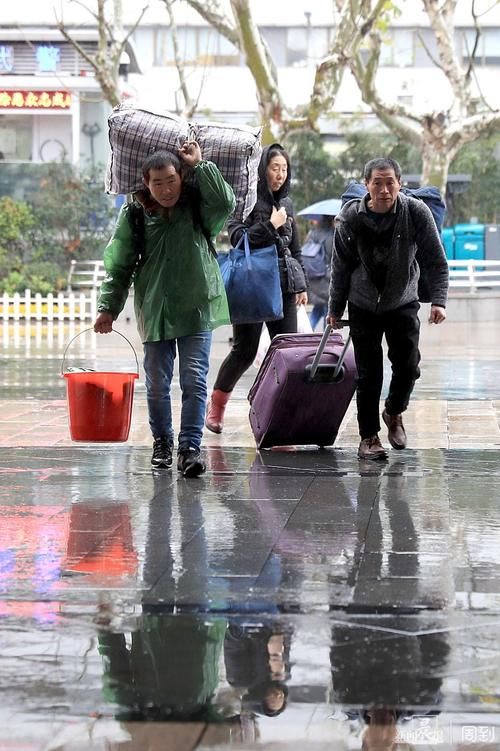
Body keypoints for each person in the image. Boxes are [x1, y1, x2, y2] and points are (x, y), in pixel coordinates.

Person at [94, 142, 235, 477]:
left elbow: (225, 202)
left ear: (181, 178)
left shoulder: (197, 207)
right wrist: (108, 308)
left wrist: (201, 165)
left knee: (194, 380)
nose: (165, 189)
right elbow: (120, 265)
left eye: (171, 180)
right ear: (146, 182)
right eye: (157, 183)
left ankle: (189, 447)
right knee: (157, 383)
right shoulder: (135, 215)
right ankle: (162, 443)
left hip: (196, 306)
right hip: (155, 309)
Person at [328, 157, 449, 460]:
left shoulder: (415, 212)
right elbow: (339, 267)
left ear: (399, 183)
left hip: (402, 301)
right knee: (368, 374)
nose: (384, 190)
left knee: (408, 366)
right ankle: (368, 437)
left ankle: (394, 412)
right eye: (377, 183)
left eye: (390, 182)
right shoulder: (351, 218)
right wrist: (334, 308)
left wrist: (438, 300)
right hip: (362, 303)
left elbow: (436, 260)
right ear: (366, 185)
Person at [205, 143, 308, 434]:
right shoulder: (245, 201)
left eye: (284, 169)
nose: (280, 175)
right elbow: (238, 239)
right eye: (275, 168)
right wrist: (271, 226)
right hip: (252, 283)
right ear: (262, 170)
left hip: (284, 284)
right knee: (245, 351)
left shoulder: (286, 204)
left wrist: (301, 285)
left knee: (287, 352)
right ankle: (217, 406)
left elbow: (295, 248)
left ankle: (280, 412)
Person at [302, 215, 336, 331]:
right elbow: (333, 257)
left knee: (317, 309)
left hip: (313, 274)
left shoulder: (312, 233)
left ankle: (308, 334)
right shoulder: (331, 235)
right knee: (329, 312)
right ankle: (327, 339)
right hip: (326, 277)